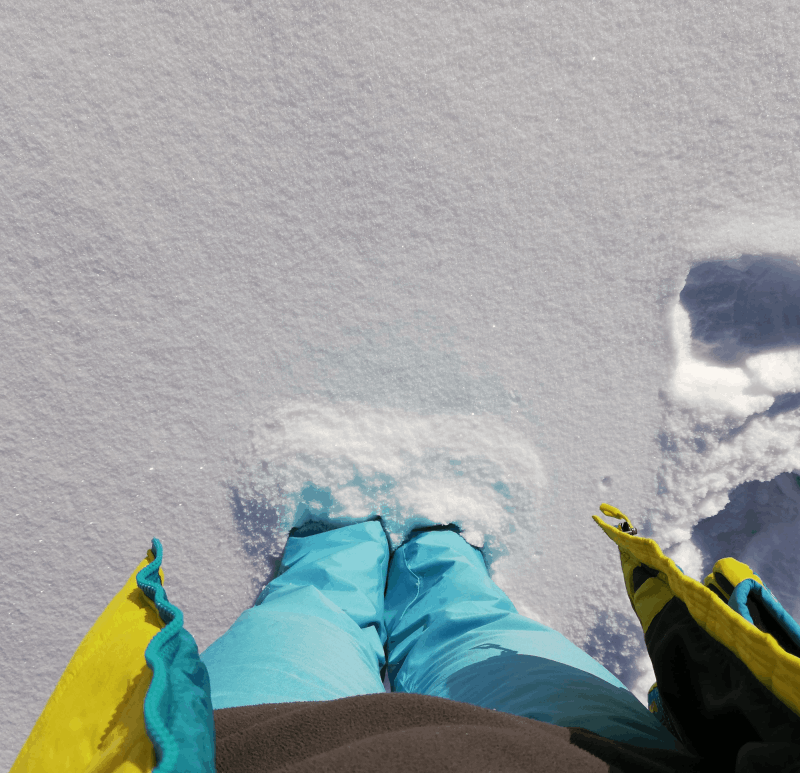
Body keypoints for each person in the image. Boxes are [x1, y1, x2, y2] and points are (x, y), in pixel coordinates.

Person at [200, 517, 702, 772]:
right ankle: (433, 554)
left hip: (244, 748)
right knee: (476, 631)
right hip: (608, 754)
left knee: (308, 616)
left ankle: (347, 545)